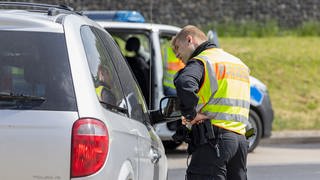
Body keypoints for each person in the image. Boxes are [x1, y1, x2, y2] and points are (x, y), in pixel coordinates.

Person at [171, 25, 250, 180]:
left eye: (178, 48)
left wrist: (190, 114)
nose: (178, 55)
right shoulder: (238, 64)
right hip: (240, 141)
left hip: (214, 141)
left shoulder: (202, 61)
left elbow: (185, 83)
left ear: (189, 40)